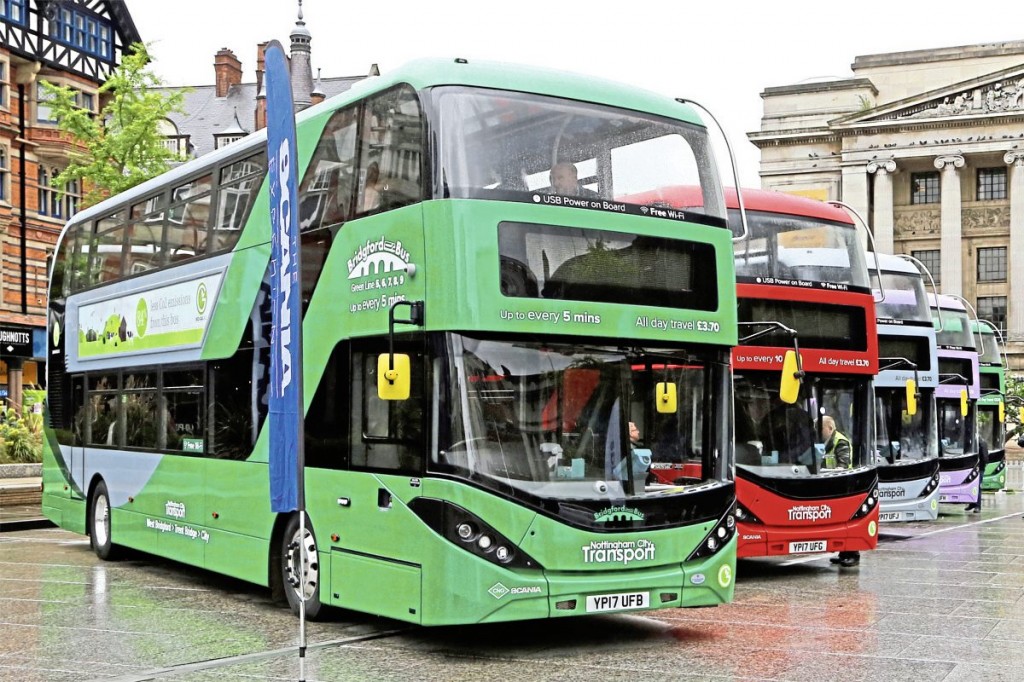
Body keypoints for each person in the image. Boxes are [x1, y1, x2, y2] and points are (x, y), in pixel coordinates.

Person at [965, 436, 988, 512]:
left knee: (977, 487)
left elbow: (985, 457)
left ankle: (978, 506)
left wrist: (981, 466)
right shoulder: (974, 442)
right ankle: (972, 503)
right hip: (974, 467)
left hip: (979, 467)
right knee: (972, 486)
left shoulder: (981, 443)